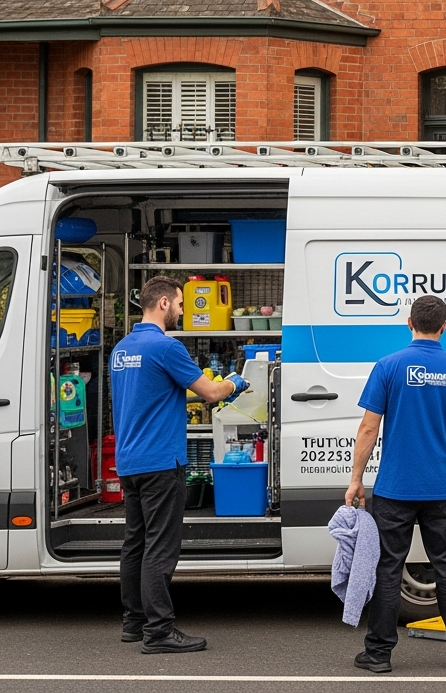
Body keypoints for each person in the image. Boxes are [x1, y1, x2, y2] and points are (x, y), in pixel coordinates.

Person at [345, 295, 446, 673]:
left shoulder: (388, 367)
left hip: (395, 489)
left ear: (409, 322)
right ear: (444, 327)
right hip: (442, 490)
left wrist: (356, 479)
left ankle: (378, 654)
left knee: (388, 569)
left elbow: (368, 428)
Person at [112, 276, 247, 653]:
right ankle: (158, 632)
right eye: (180, 303)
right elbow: (210, 393)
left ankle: (133, 622)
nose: (184, 310)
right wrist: (235, 382)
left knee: (135, 543)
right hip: (160, 460)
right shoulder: (165, 347)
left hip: (131, 461)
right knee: (161, 546)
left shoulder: (121, 350)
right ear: (163, 305)